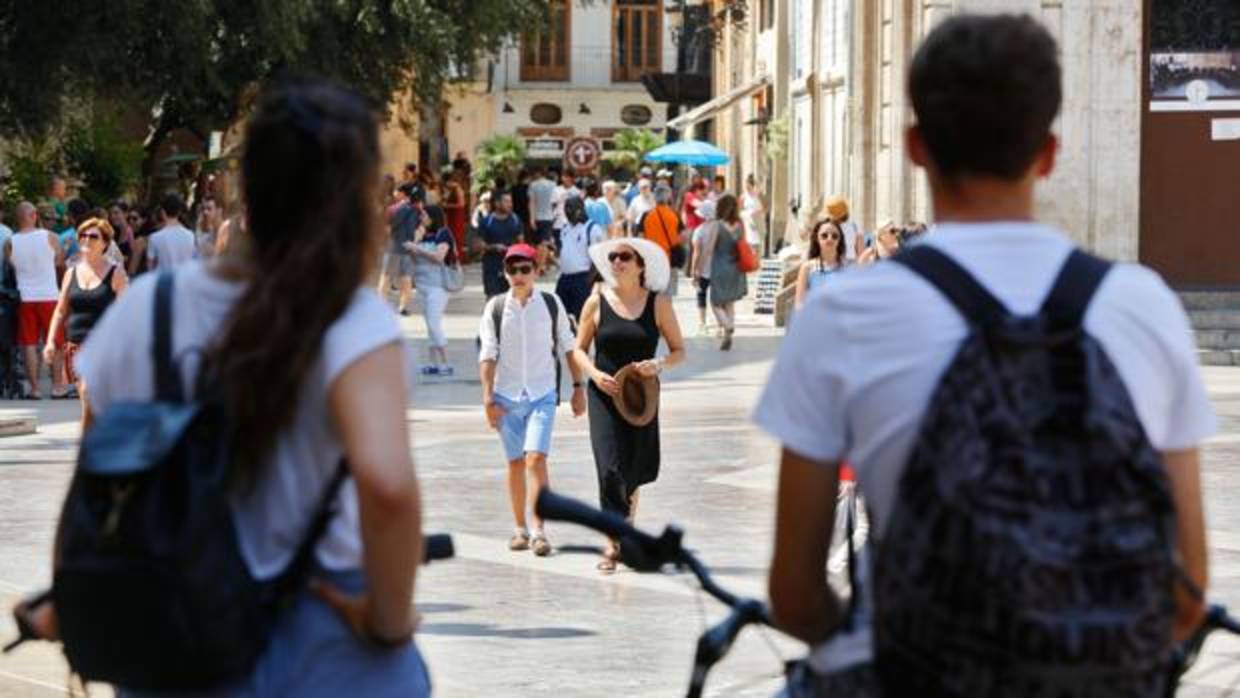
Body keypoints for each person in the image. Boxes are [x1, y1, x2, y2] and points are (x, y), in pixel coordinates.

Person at [757, 15, 1213, 696]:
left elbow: (793, 593)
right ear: (1050, 152)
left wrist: (885, 647)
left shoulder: (843, 312)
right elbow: (1188, 589)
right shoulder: (1142, 305)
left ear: (914, 146)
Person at [16, 79, 430, 697]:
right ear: (355, 199)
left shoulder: (147, 312)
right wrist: (387, 622)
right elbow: (389, 490)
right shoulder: (350, 319)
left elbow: (95, 474)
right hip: (319, 637)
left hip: (173, 630)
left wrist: (77, 599)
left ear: (248, 183)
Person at [571, 238, 685, 572]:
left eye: (625, 257)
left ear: (640, 265)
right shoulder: (595, 301)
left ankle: (625, 532)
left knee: (632, 470)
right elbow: (578, 349)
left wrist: (659, 364)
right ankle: (612, 542)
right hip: (604, 395)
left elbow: (680, 351)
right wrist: (592, 374)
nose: (617, 262)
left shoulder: (658, 304)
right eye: (613, 257)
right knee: (609, 468)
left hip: (640, 397)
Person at [478, 244, 585, 558]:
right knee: (514, 463)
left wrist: (578, 387)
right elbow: (488, 353)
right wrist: (487, 399)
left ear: (537, 271)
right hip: (506, 396)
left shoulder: (551, 304)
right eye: (513, 270)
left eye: (525, 269)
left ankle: (539, 531)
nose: (519, 276)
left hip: (542, 393)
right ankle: (519, 528)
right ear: (506, 273)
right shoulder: (496, 308)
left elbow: (569, 347)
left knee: (535, 459)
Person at [43, 216, 129, 425]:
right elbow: (61, 310)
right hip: (76, 345)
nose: (86, 240)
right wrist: (50, 341)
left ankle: (90, 445)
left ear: (105, 243)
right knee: (87, 401)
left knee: (90, 393)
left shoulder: (116, 273)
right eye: (83, 235)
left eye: (93, 236)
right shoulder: (71, 273)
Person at [5, 202, 68, 399]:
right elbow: (59, 262)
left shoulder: (10, 242)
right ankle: (57, 386)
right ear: (33, 215)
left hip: (25, 296)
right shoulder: (50, 237)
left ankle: (35, 388)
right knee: (57, 342)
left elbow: (13, 267)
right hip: (49, 295)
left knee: (29, 343)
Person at [408, 205, 457, 376]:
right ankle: (433, 363)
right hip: (422, 285)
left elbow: (439, 257)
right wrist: (415, 241)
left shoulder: (443, 233)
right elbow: (413, 258)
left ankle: (446, 362)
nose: (421, 218)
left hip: (438, 286)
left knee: (433, 322)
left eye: (424, 215)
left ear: (433, 217)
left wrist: (417, 248)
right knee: (429, 323)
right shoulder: (421, 233)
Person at [702, 194, 747, 351]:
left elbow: (709, 248)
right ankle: (729, 333)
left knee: (715, 302)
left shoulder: (718, 225)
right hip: (735, 267)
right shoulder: (740, 224)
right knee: (729, 302)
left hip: (720, 267)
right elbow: (743, 243)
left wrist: (700, 268)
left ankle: (727, 325)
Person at [555, 196, 606, 321]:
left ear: (580, 209)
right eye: (566, 208)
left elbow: (599, 258)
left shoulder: (592, 229)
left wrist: (588, 281)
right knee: (560, 315)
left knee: (582, 318)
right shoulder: (565, 228)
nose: (567, 212)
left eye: (570, 208)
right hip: (565, 278)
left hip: (582, 279)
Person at [377, 183, 424, 316]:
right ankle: (402, 307)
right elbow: (423, 226)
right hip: (408, 248)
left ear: (405, 194)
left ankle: (381, 307)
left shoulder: (394, 208)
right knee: (406, 279)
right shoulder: (417, 210)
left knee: (386, 278)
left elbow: (386, 226)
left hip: (393, 247)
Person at [476, 191, 524, 299]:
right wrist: (494, 247)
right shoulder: (486, 221)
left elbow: (521, 243)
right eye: (506, 201)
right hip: (491, 266)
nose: (510, 204)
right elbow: (479, 245)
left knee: (512, 299)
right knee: (492, 299)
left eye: (510, 201)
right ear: (497, 203)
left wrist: (514, 250)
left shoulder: (516, 220)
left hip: (512, 267)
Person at [639, 185, 684, 297]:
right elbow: (683, 236)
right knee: (667, 295)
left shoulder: (646, 215)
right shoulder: (674, 215)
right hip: (669, 259)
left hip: (652, 258)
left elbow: (640, 237)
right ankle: (665, 312)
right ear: (668, 197)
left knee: (653, 292)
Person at [794, 219, 846, 309]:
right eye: (824, 235)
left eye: (835, 236)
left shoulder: (848, 267)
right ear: (816, 238)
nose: (830, 238)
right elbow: (799, 304)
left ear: (840, 239)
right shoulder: (807, 268)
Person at [146, 194, 197, 270]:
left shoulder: (154, 237)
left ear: (163, 212)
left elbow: (150, 267)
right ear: (179, 212)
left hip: (163, 280)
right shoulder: (190, 235)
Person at [823, 195, 862, 261]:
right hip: (850, 264)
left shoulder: (825, 228)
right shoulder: (854, 226)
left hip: (831, 263)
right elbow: (861, 252)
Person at [527, 168, 556, 248]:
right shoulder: (553, 184)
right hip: (549, 217)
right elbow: (555, 203)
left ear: (538, 174)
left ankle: (540, 259)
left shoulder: (533, 185)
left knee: (537, 243)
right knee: (546, 243)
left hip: (537, 218)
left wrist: (531, 219)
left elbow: (532, 203)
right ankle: (544, 258)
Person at [442, 173, 469, 259]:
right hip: (452, 216)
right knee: (452, 235)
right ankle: (452, 255)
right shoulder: (452, 190)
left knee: (456, 235)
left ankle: (457, 256)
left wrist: (447, 205)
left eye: (449, 182)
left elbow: (461, 204)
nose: (447, 184)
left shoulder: (458, 189)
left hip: (456, 216)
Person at [740, 174, 766, 258]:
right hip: (748, 221)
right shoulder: (743, 196)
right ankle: (752, 261)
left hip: (757, 220)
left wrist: (758, 212)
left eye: (748, 185)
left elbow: (765, 206)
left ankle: (756, 260)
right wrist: (744, 214)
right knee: (750, 242)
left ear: (752, 185)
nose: (747, 187)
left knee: (757, 243)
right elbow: (739, 208)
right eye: (746, 185)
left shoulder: (758, 194)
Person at [194, 195, 223, 259]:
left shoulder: (223, 231)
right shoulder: (199, 228)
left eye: (209, 209)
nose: (205, 212)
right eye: (203, 208)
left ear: (218, 211)